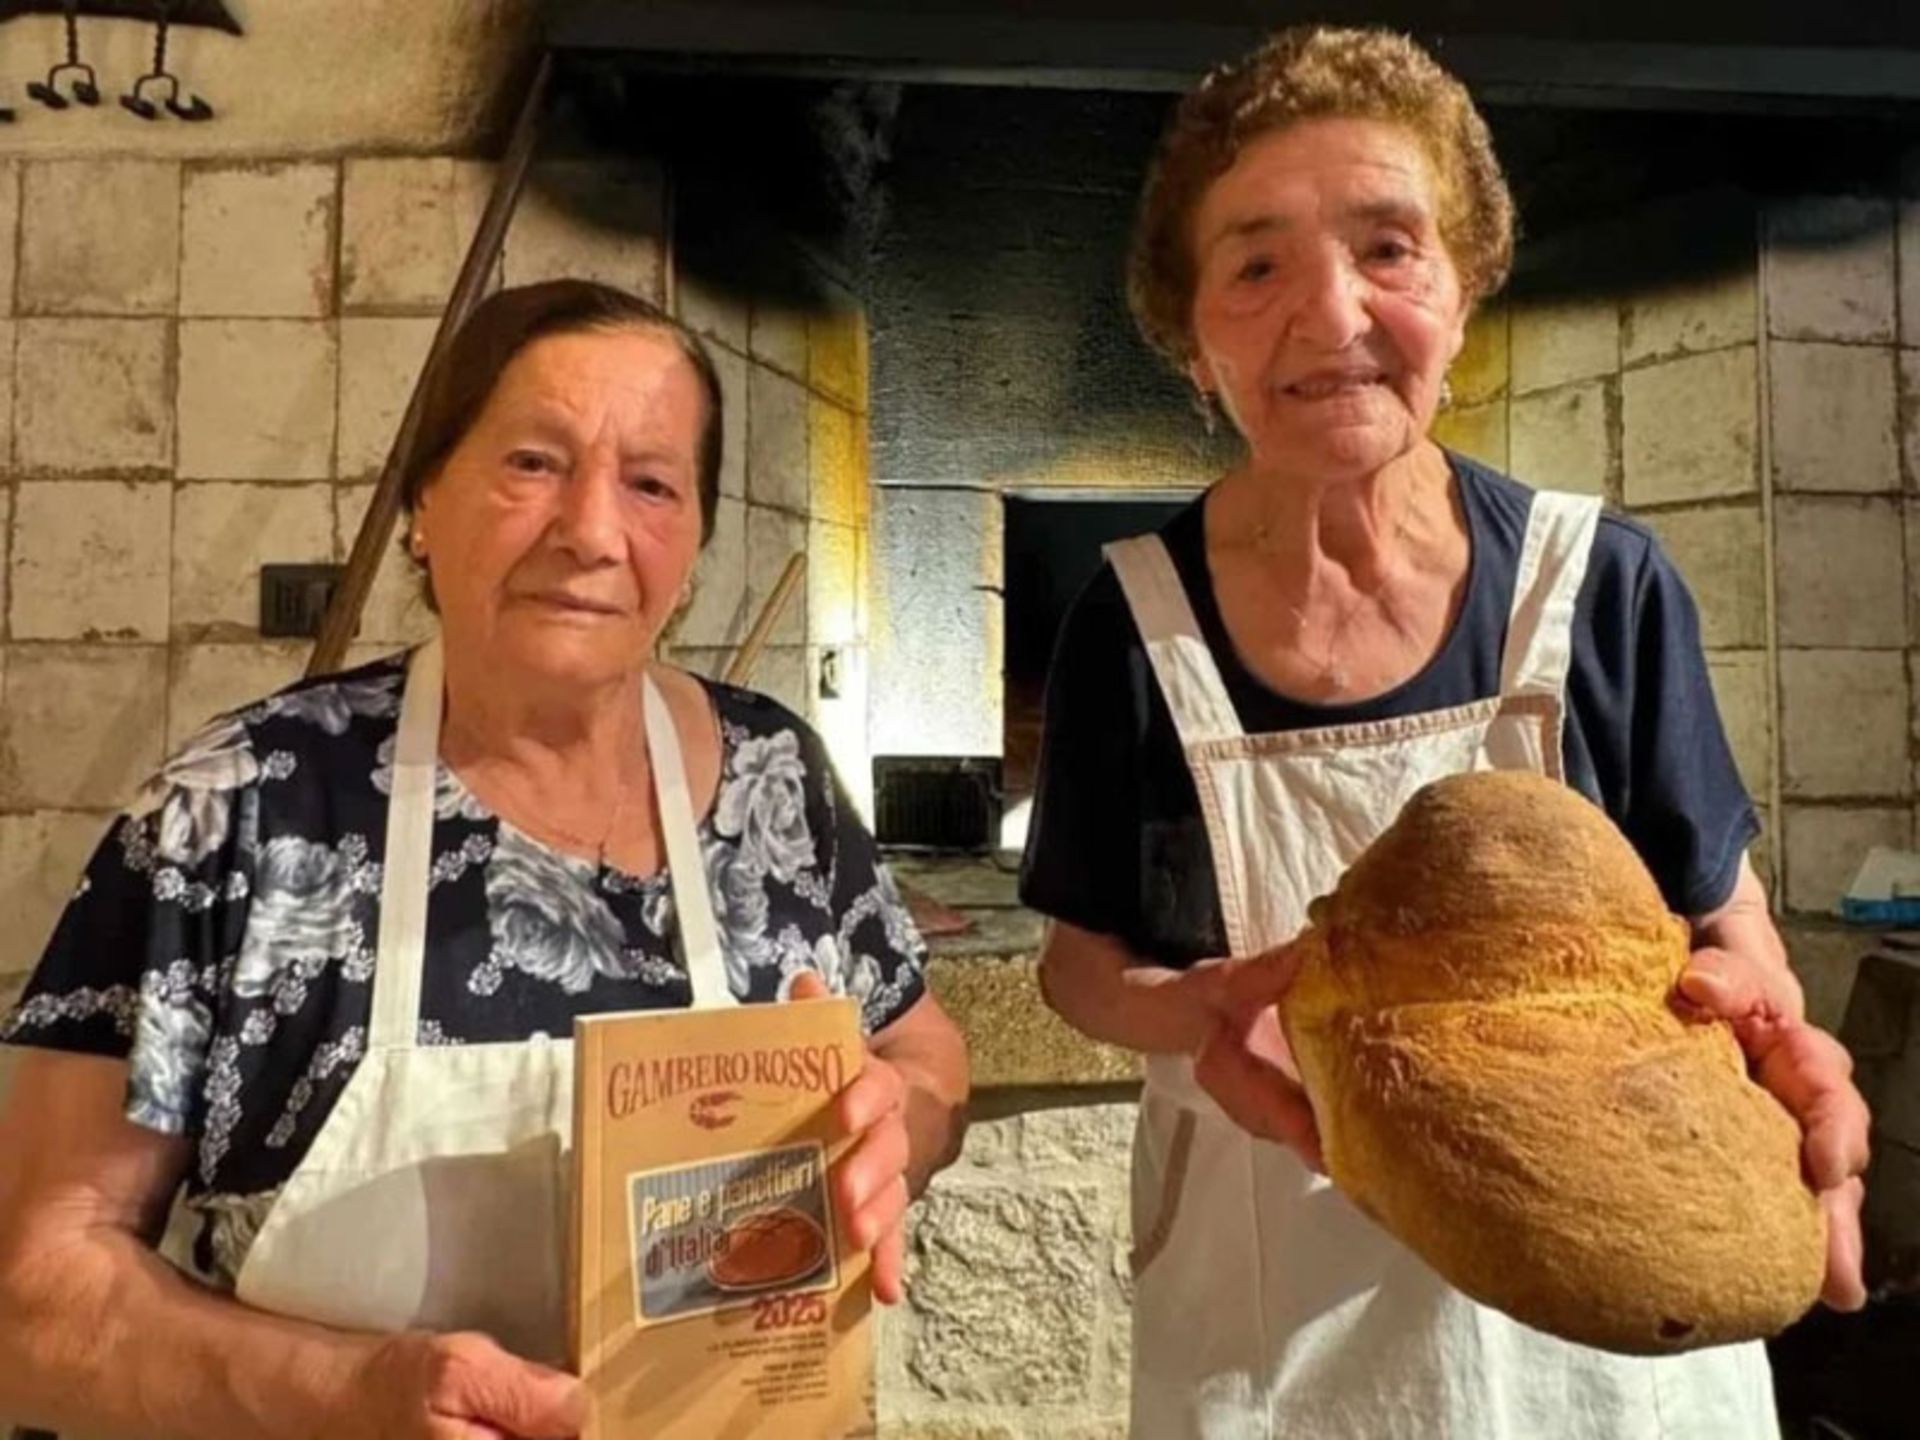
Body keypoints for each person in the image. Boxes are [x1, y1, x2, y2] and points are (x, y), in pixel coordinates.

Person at [1019, 25, 1870, 1439]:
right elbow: (1079, 970)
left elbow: (1731, 935)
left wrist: (1772, 1037)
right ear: (1192, 337)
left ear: (1465, 287)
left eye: (1390, 248)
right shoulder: (1135, 621)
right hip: (1278, 1338)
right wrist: (1192, 1009)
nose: (1331, 312)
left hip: (1615, 1331)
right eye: (1256, 264)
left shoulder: (1599, 586)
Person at [0, 279, 969, 1439]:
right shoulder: (235, 815)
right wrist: (344, 1394)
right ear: (424, 497)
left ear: (694, 540)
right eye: (533, 465)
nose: (592, 533)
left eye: (652, 484)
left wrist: (891, 1129)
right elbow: (37, 1300)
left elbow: (923, 1050)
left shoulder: (776, 777)